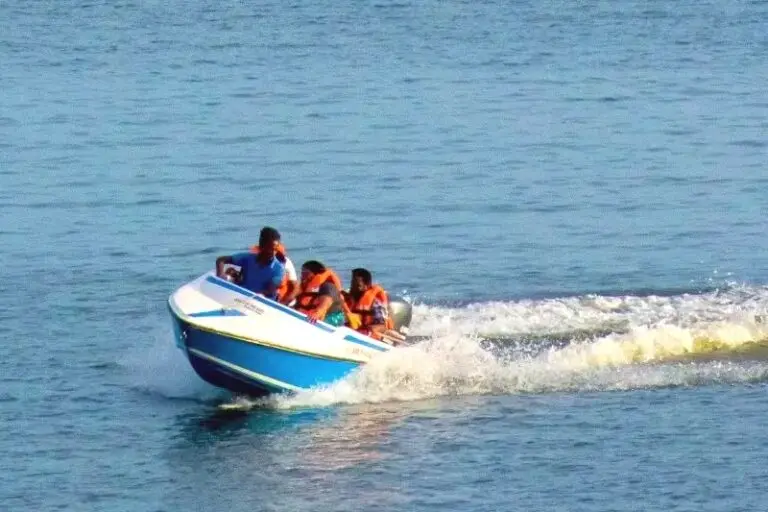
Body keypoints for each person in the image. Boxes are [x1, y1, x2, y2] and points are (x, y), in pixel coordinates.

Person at [215, 228, 285, 300]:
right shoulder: (248, 258)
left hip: (262, 303)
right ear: (262, 246)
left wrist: (256, 295)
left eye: (275, 249)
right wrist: (220, 276)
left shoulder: (278, 269)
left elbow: (270, 291)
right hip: (240, 297)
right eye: (270, 249)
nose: (273, 253)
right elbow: (221, 260)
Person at [249, 227, 299, 305]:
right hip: (253, 299)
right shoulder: (250, 258)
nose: (271, 252)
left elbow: (295, 287)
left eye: (273, 249)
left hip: (279, 303)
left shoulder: (285, 262)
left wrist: (283, 304)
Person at [344, 268, 393, 341]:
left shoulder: (375, 303)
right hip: (355, 332)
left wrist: (367, 331)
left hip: (370, 335)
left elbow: (383, 326)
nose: (352, 288)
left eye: (357, 285)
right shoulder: (350, 299)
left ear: (366, 286)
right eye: (352, 283)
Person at [294, 260, 346, 326]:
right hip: (308, 317)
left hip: (331, 319)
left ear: (315, 273)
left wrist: (317, 313)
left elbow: (326, 303)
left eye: (305, 273)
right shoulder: (305, 287)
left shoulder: (327, 285)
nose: (302, 275)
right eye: (302, 272)